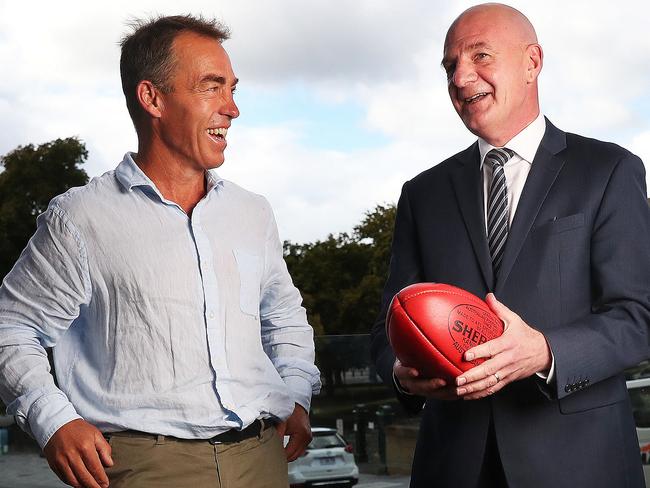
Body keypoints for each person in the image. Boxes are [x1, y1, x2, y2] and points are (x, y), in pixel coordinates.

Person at [0, 15, 320, 488]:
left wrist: (296, 393)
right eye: (212, 87)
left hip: (262, 460)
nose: (232, 109)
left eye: (233, 89)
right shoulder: (80, 217)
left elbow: (284, 316)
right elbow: (12, 326)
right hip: (142, 468)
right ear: (152, 98)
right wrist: (54, 422)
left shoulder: (253, 213)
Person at [371, 3, 650, 487]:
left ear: (531, 62)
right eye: (450, 66)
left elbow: (638, 315)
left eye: (480, 56)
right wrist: (402, 371)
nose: (461, 78)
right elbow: (387, 325)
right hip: (454, 467)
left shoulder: (608, 170)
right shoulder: (423, 193)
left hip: (580, 465)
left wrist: (544, 351)